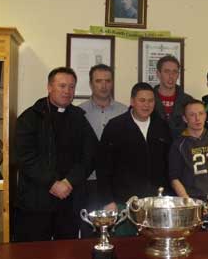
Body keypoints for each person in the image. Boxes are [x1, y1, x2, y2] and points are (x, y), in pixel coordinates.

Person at [14, 67, 97, 242]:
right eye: (62, 86)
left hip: (69, 199)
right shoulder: (30, 117)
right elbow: (24, 157)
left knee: (67, 251)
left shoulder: (79, 118)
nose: (67, 91)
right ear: (49, 87)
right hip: (36, 202)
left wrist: (69, 182)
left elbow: (90, 155)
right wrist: (52, 183)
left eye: (72, 87)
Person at [97, 82, 172, 236]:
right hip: (123, 203)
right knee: (125, 248)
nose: (146, 105)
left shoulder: (162, 127)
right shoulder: (115, 126)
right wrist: (107, 200)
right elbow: (103, 166)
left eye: (150, 100)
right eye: (142, 100)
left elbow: (169, 165)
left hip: (155, 203)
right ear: (132, 101)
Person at [78, 64, 127, 237]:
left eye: (107, 81)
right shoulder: (79, 112)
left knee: (116, 232)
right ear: (91, 84)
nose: (103, 85)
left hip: (115, 183)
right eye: (99, 81)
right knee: (88, 230)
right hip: (87, 181)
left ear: (112, 83)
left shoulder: (125, 111)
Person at [169, 99, 208, 229]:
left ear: (205, 116)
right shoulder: (178, 144)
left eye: (201, 113)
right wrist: (189, 203)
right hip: (191, 206)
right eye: (192, 115)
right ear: (185, 119)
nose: (197, 118)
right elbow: (174, 178)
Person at [153, 55, 192, 139]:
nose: (171, 76)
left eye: (175, 72)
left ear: (178, 74)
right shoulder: (149, 101)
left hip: (181, 149)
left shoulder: (188, 101)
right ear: (158, 74)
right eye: (167, 71)